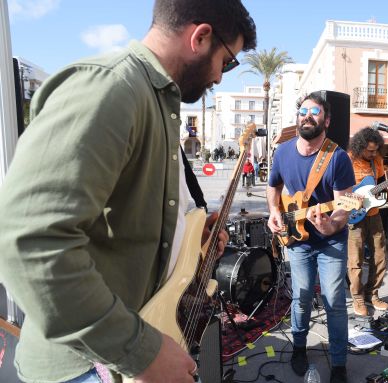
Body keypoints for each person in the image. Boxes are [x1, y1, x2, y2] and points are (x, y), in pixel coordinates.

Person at [0, 1, 256, 382]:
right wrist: (143, 353)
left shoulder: (156, 102)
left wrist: (191, 239)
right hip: (87, 368)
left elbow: (121, 223)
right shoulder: (111, 87)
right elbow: (30, 242)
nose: (221, 78)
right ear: (200, 37)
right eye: (227, 61)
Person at [267, 91, 355, 383]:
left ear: (326, 120)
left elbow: (345, 204)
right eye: (303, 111)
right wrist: (274, 212)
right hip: (297, 239)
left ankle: (340, 364)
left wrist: (333, 225)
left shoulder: (338, 157)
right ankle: (299, 347)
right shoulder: (282, 152)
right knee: (302, 297)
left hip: (331, 240)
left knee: (334, 301)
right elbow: (273, 187)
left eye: (314, 111)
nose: (307, 115)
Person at [347, 127, 388, 316]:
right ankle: (358, 298)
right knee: (356, 260)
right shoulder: (348, 159)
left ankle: (372, 294)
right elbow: (336, 187)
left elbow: (376, 188)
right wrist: (352, 196)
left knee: (380, 256)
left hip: (374, 213)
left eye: (376, 150)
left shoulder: (377, 160)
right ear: (359, 146)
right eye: (369, 150)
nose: (373, 153)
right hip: (353, 214)